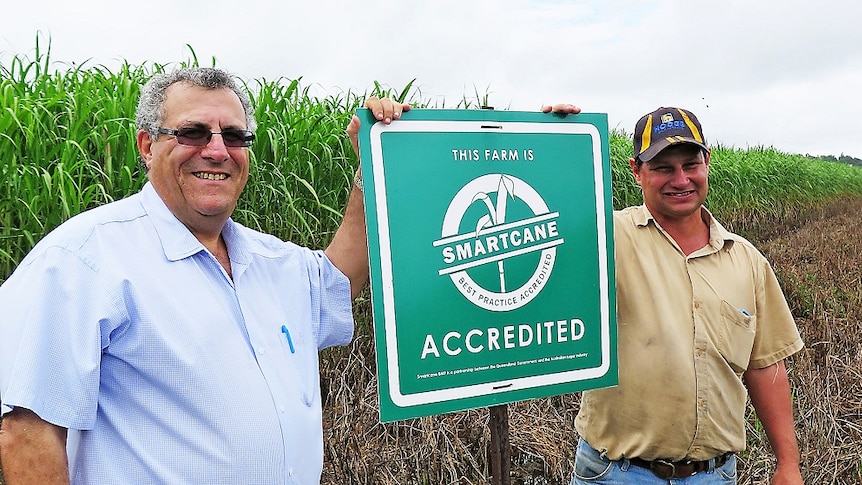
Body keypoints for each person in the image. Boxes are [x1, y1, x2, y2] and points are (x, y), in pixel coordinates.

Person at [0, 67, 407, 484]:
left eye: (233, 136)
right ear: (147, 145)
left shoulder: (272, 261)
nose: (216, 151)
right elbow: (29, 430)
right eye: (193, 132)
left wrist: (372, 163)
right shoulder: (84, 259)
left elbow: (340, 277)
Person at [541, 104, 805, 484]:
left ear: (707, 163)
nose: (680, 179)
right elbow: (536, 229)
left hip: (714, 474)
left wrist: (788, 463)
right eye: (663, 167)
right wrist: (549, 138)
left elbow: (764, 366)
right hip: (617, 472)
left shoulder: (746, 260)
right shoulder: (603, 237)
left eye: (690, 164)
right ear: (636, 171)